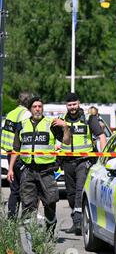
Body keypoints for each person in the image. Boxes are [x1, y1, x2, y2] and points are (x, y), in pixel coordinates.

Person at [7, 97, 70, 233]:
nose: (37, 109)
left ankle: (50, 230)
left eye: (40, 106)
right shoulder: (22, 125)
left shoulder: (51, 124)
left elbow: (66, 142)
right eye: (35, 107)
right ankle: (28, 236)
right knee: (28, 203)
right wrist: (10, 169)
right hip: (28, 170)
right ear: (30, 109)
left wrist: (65, 127)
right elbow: (16, 149)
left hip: (46, 171)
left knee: (50, 203)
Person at [61, 93, 107, 235]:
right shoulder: (63, 120)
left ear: (79, 103)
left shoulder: (89, 118)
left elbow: (101, 136)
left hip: (83, 161)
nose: (72, 107)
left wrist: (103, 157)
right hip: (68, 162)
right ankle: (77, 220)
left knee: (80, 191)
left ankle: (79, 223)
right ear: (66, 106)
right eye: (69, 105)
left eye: (74, 104)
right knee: (70, 194)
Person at [1, 92, 32, 219]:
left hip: (10, 154)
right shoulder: (26, 114)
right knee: (26, 188)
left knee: (14, 188)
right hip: (20, 155)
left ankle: (11, 217)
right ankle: (26, 218)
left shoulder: (11, 113)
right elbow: (26, 135)